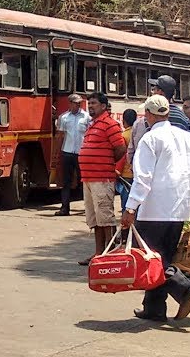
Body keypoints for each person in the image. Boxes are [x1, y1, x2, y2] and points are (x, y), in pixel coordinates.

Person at [120, 95, 190, 322]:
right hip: (180, 208)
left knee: (150, 258)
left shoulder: (150, 139)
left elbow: (143, 178)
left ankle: (183, 288)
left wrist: (130, 207)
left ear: (148, 115)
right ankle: (154, 308)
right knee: (163, 255)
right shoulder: (187, 137)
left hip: (154, 208)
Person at [77, 93, 125, 265]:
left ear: (103, 106)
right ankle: (99, 253)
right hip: (89, 178)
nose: (90, 106)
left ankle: (109, 254)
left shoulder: (110, 124)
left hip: (102, 178)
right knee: (95, 219)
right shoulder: (93, 124)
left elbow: (120, 148)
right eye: (89, 103)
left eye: (94, 103)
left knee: (105, 218)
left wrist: (106, 163)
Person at [55, 94, 89, 216]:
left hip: (82, 153)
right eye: (76, 103)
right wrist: (57, 153)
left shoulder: (87, 117)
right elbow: (60, 136)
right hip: (67, 152)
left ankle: (88, 208)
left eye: (79, 102)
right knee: (66, 182)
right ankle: (65, 208)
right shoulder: (63, 118)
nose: (78, 105)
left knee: (84, 182)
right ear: (70, 103)